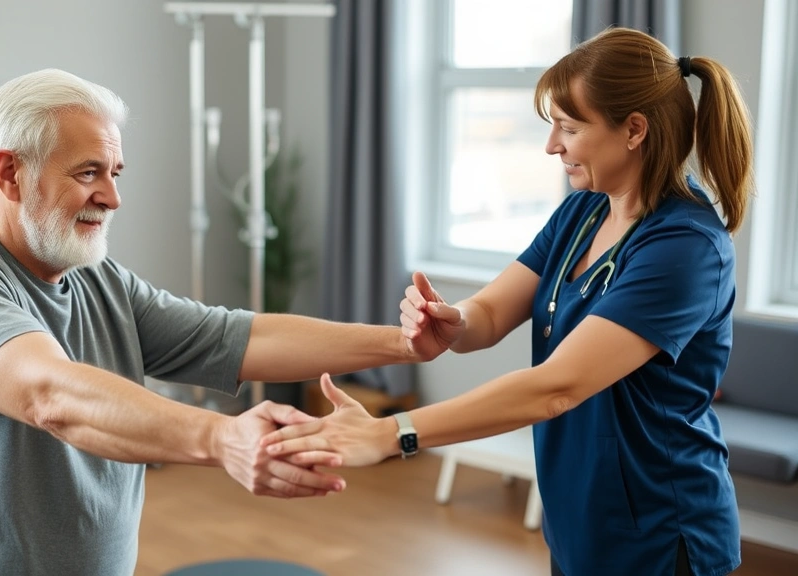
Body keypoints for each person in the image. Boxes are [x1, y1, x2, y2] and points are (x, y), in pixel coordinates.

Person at [0, 68, 441, 576]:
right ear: (10, 174)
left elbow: (235, 337)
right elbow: (48, 394)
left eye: (115, 172)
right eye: (89, 172)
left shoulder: (92, 276)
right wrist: (223, 437)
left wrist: (401, 343)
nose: (113, 196)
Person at [263, 27, 754, 576]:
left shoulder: (685, 248)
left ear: (634, 130)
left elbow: (556, 387)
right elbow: (492, 313)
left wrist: (392, 432)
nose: (552, 146)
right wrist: (451, 321)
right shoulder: (583, 212)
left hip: (662, 533)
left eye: (569, 127)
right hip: (580, 521)